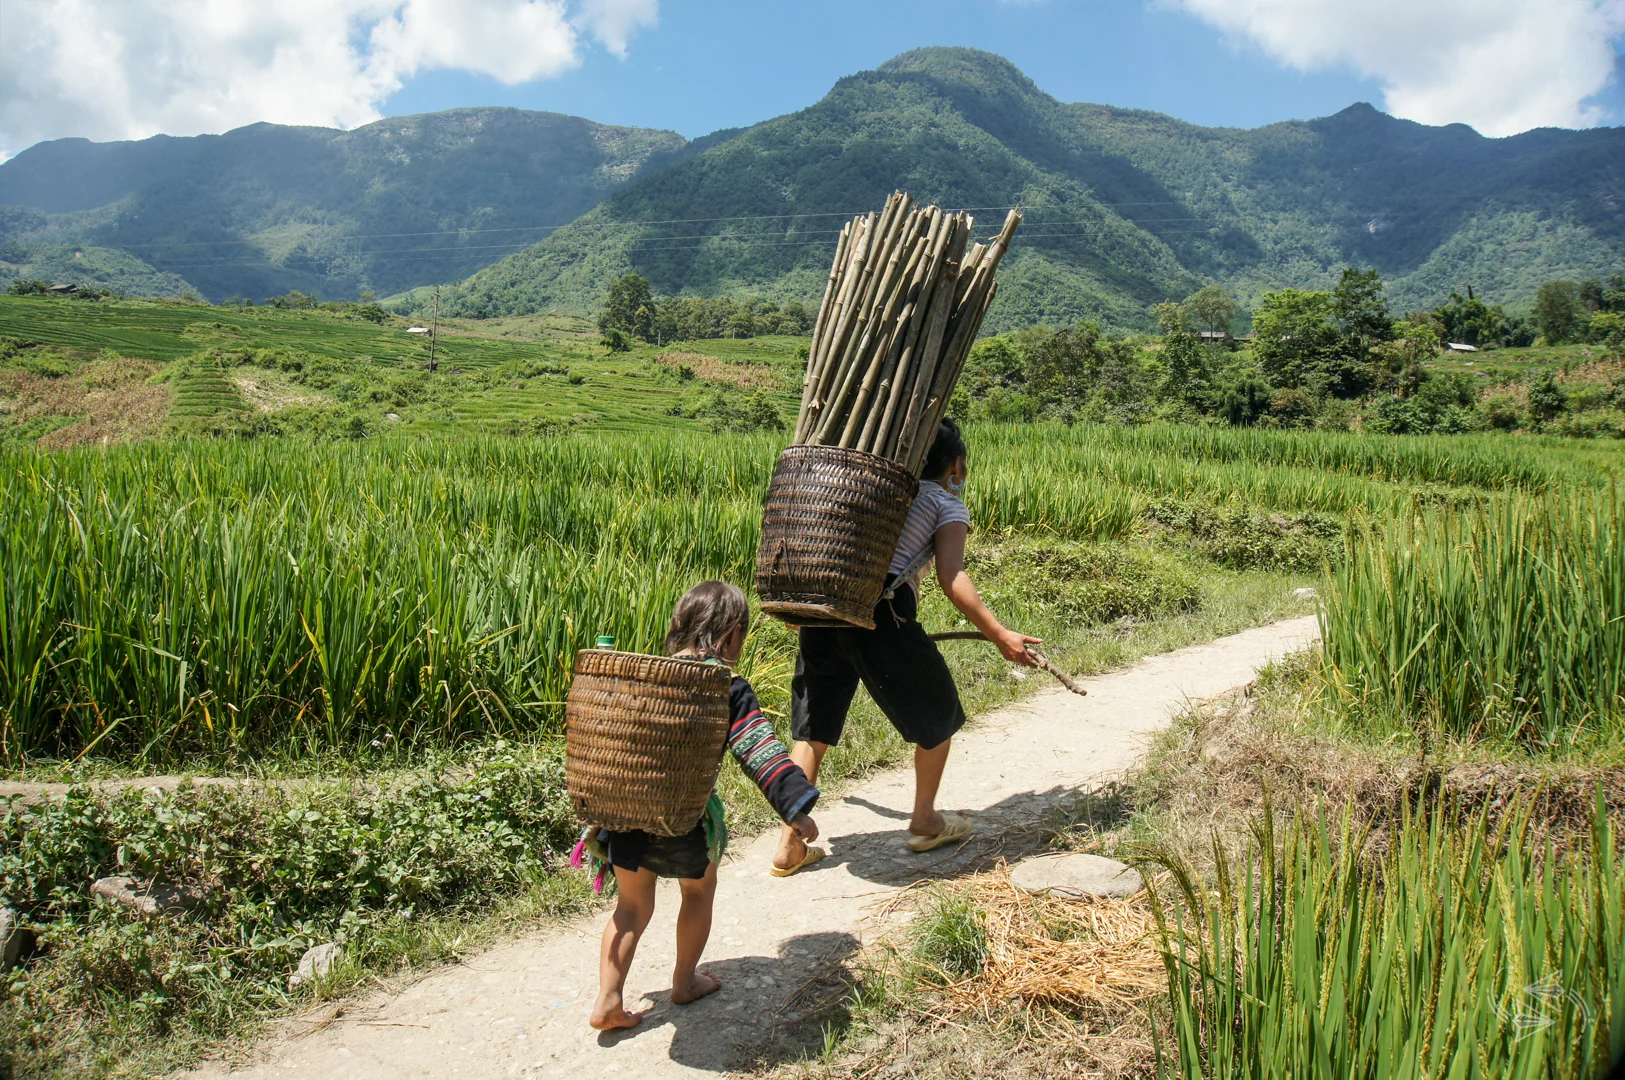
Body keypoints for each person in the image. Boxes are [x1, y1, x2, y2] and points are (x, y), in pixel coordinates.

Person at [773, 418, 1038, 875]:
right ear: (956, 466)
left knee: (813, 729)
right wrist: (1000, 633)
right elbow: (952, 578)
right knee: (939, 715)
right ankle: (925, 819)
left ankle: (788, 845)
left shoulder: (876, 492)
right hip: (882, 617)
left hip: (825, 613)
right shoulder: (943, 502)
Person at [587, 580, 821, 1031]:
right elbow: (758, 749)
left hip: (625, 814)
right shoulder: (724, 686)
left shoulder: (646, 673)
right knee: (697, 892)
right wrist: (795, 808)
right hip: (685, 818)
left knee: (631, 908)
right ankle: (684, 981)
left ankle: (608, 999)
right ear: (732, 632)